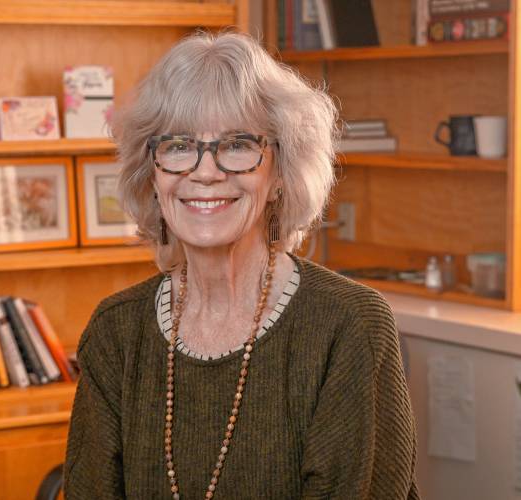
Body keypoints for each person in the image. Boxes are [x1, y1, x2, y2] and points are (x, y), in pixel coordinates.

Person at [63, 31, 420, 500]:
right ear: (153, 175)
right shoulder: (116, 332)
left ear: (279, 175)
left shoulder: (347, 325)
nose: (205, 172)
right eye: (177, 146)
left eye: (237, 145)